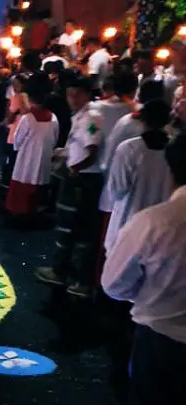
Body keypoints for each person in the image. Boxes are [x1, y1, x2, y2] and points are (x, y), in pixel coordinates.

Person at [101, 134, 186, 405]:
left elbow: (114, 284)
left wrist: (145, 291)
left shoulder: (156, 222)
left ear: (171, 172)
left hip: (162, 339)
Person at [36, 76, 103, 298]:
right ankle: (62, 271)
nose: (72, 99)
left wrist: (75, 168)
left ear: (87, 94)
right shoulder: (81, 115)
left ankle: (74, 277)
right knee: (71, 226)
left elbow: (92, 151)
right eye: (69, 94)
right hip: (79, 176)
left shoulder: (91, 117)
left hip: (82, 180)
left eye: (77, 94)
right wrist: (65, 154)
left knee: (75, 228)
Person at [102, 99, 174, 252]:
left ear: (142, 120)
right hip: (159, 225)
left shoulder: (129, 149)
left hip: (128, 219)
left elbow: (117, 189)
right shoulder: (175, 150)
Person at [6, 80, 59, 219]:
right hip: (44, 157)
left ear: (29, 98)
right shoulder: (53, 117)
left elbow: (18, 139)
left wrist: (17, 148)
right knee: (39, 183)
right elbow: (55, 137)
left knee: (23, 182)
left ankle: (20, 212)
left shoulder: (28, 118)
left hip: (26, 157)